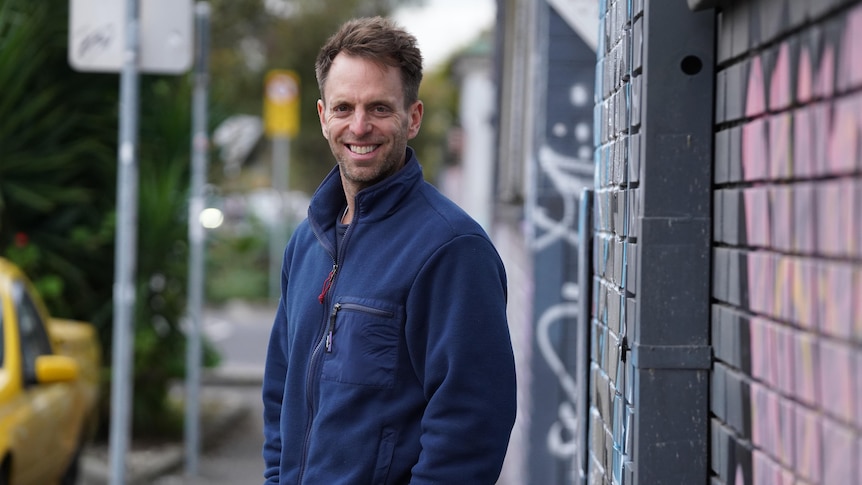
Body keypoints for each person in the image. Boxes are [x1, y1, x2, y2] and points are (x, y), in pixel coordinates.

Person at [262, 16, 517, 485]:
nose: (359, 126)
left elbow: (471, 426)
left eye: (379, 108)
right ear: (323, 117)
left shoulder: (452, 250)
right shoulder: (307, 242)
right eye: (344, 108)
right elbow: (281, 390)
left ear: (413, 117)